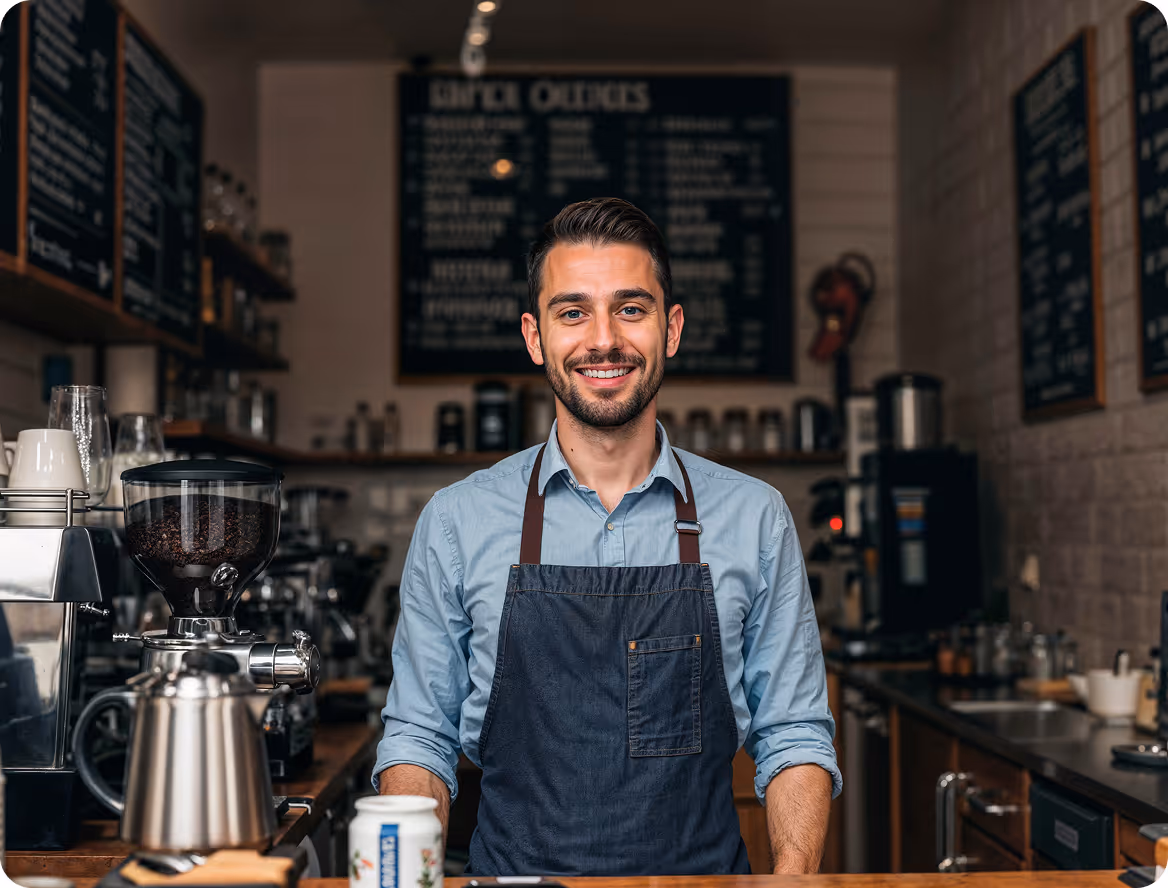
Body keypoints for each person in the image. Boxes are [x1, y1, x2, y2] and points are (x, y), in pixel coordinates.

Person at [375, 197, 840, 875]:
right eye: (573, 312)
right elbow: (419, 737)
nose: (603, 340)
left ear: (670, 328)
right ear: (535, 338)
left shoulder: (755, 517)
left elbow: (794, 734)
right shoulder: (457, 522)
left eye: (631, 308)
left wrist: (793, 875)